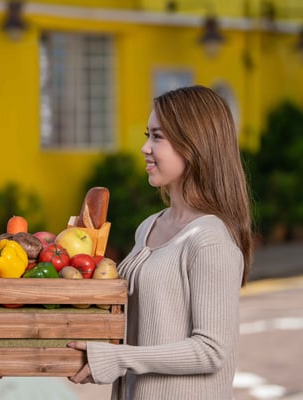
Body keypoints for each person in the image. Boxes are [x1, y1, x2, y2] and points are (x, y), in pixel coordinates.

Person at [68, 85, 254, 400]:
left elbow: (211, 350)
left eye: (157, 137)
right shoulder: (149, 227)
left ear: (194, 145)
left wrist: (118, 358)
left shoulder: (210, 240)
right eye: (147, 134)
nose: (145, 147)